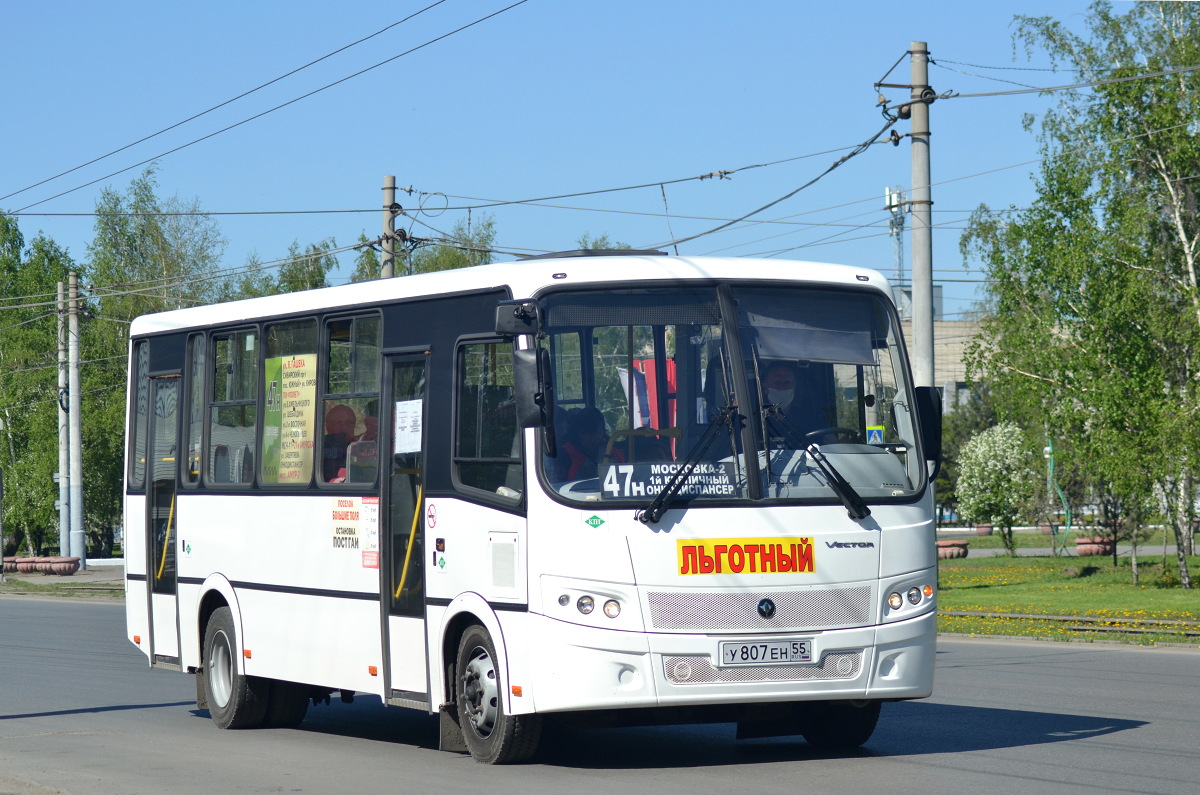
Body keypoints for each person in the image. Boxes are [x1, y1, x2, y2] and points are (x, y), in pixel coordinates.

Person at [323, 403, 358, 481]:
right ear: (328, 425)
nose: (344, 428)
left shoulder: (359, 447)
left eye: (350, 423)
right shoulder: (320, 447)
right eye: (339, 423)